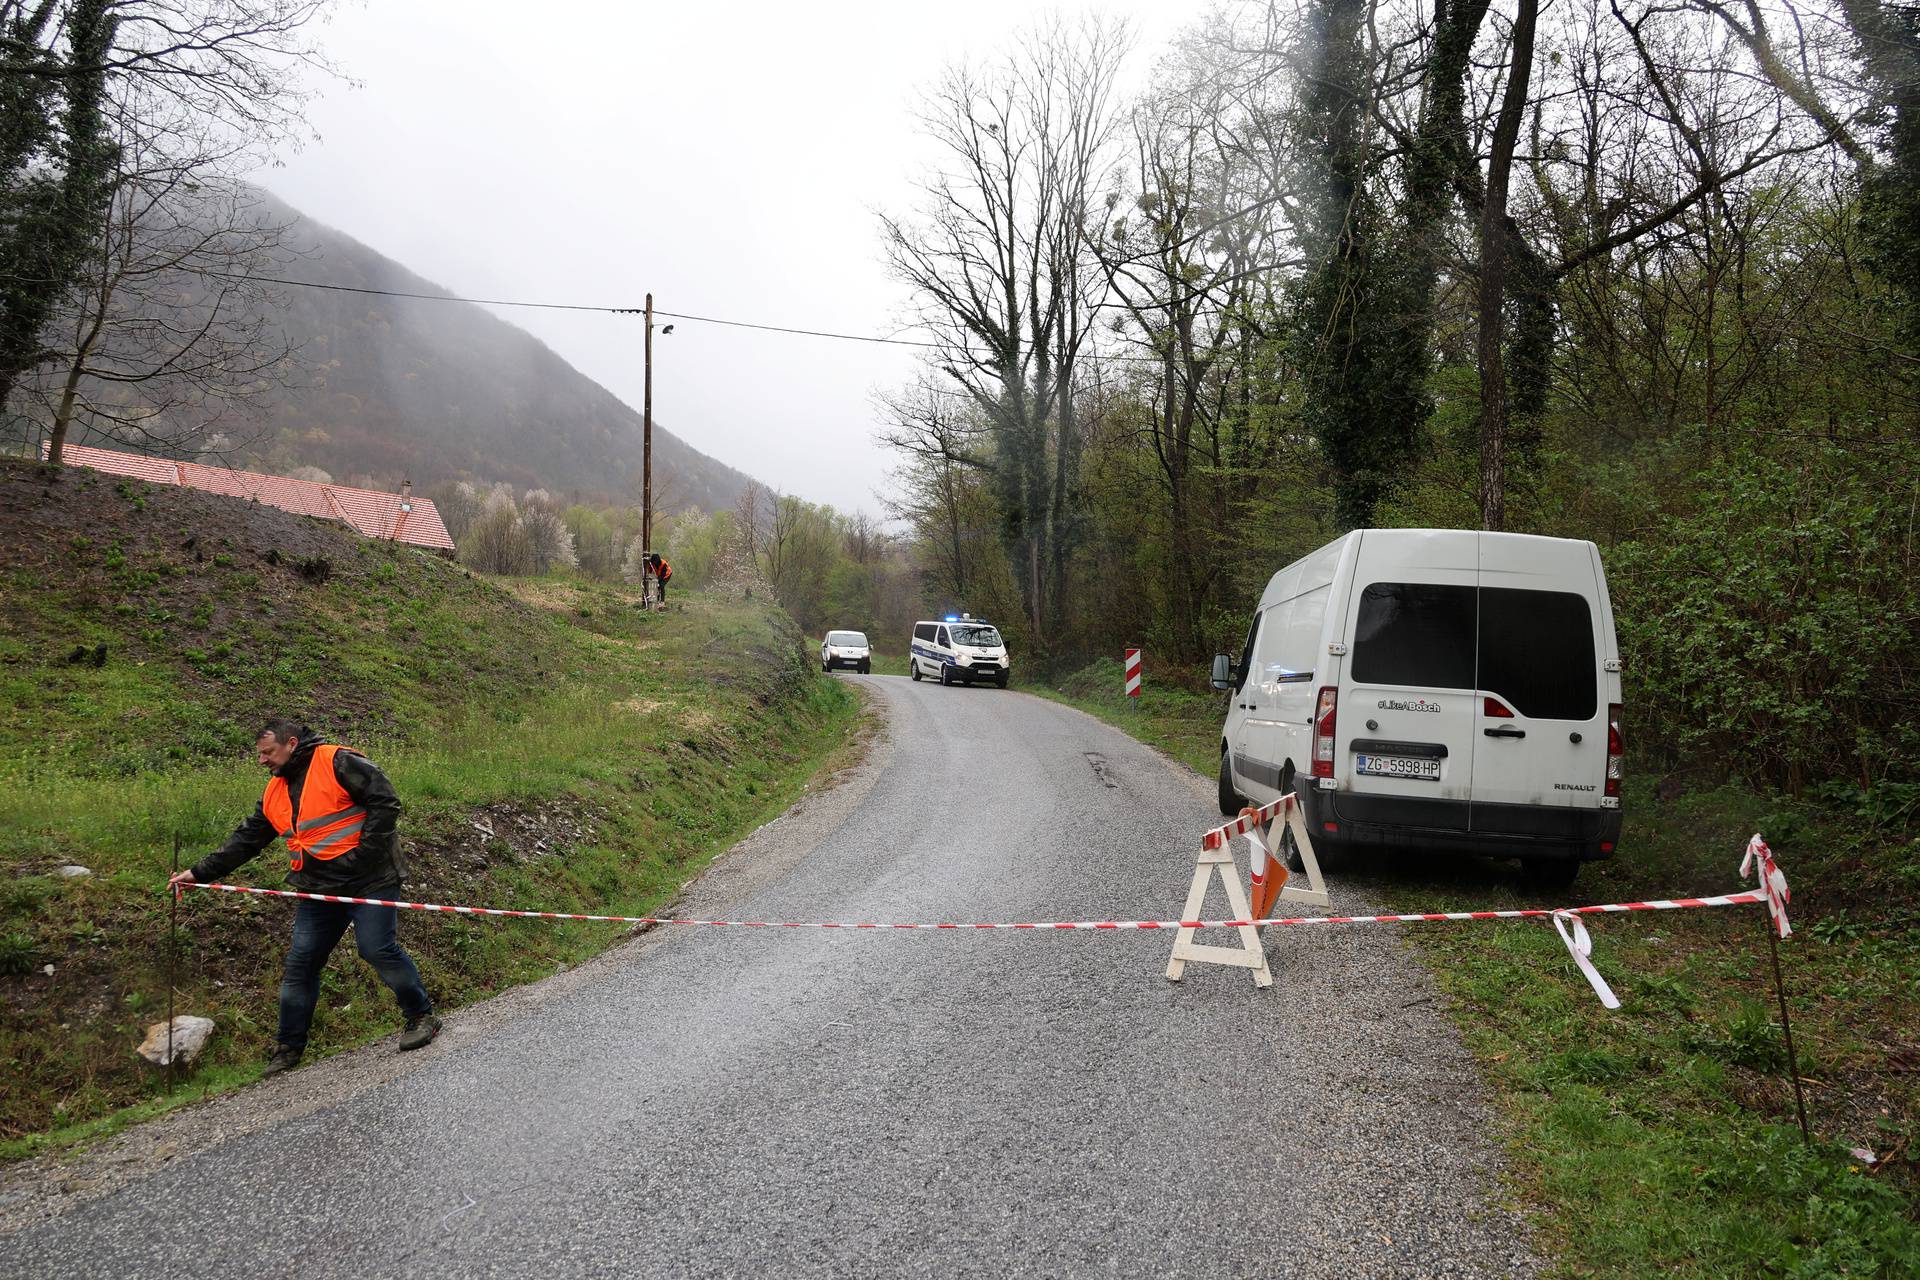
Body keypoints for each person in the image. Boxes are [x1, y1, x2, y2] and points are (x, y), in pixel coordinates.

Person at [169, 719, 439, 1075]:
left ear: (291, 743)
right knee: (302, 962)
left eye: (268, 752)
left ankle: (421, 1016)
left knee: (375, 948)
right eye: (260, 754)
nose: (262, 761)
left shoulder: (338, 761)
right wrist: (200, 873)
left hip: (371, 880)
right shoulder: (275, 791)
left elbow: (385, 802)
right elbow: (248, 839)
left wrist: (362, 857)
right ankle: (288, 1048)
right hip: (318, 889)